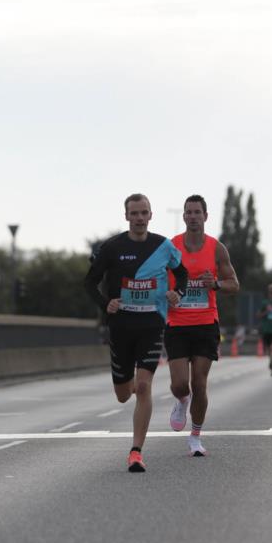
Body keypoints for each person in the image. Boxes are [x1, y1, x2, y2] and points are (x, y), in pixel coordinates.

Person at [83, 194, 188, 473]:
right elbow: (89, 282)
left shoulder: (163, 246)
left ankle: (136, 451)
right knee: (123, 394)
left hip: (152, 325)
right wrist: (106, 303)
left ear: (151, 216)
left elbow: (184, 275)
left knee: (143, 387)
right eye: (134, 213)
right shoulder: (113, 247)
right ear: (127, 216)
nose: (139, 218)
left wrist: (176, 293)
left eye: (144, 213)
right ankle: (125, 382)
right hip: (121, 327)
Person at [166, 195, 239, 456]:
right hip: (176, 323)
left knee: (199, 383)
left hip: (206, 322)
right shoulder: (171, 247)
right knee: (179, 385)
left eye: (198, 212)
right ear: (184, 217)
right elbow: (157, 279)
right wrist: (169, 293)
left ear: (206, 216)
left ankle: (195, 437)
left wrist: (216, 284)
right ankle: (181, 401)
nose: (193, 216)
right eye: (189, 212)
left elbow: (234, 284)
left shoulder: (217, 248)